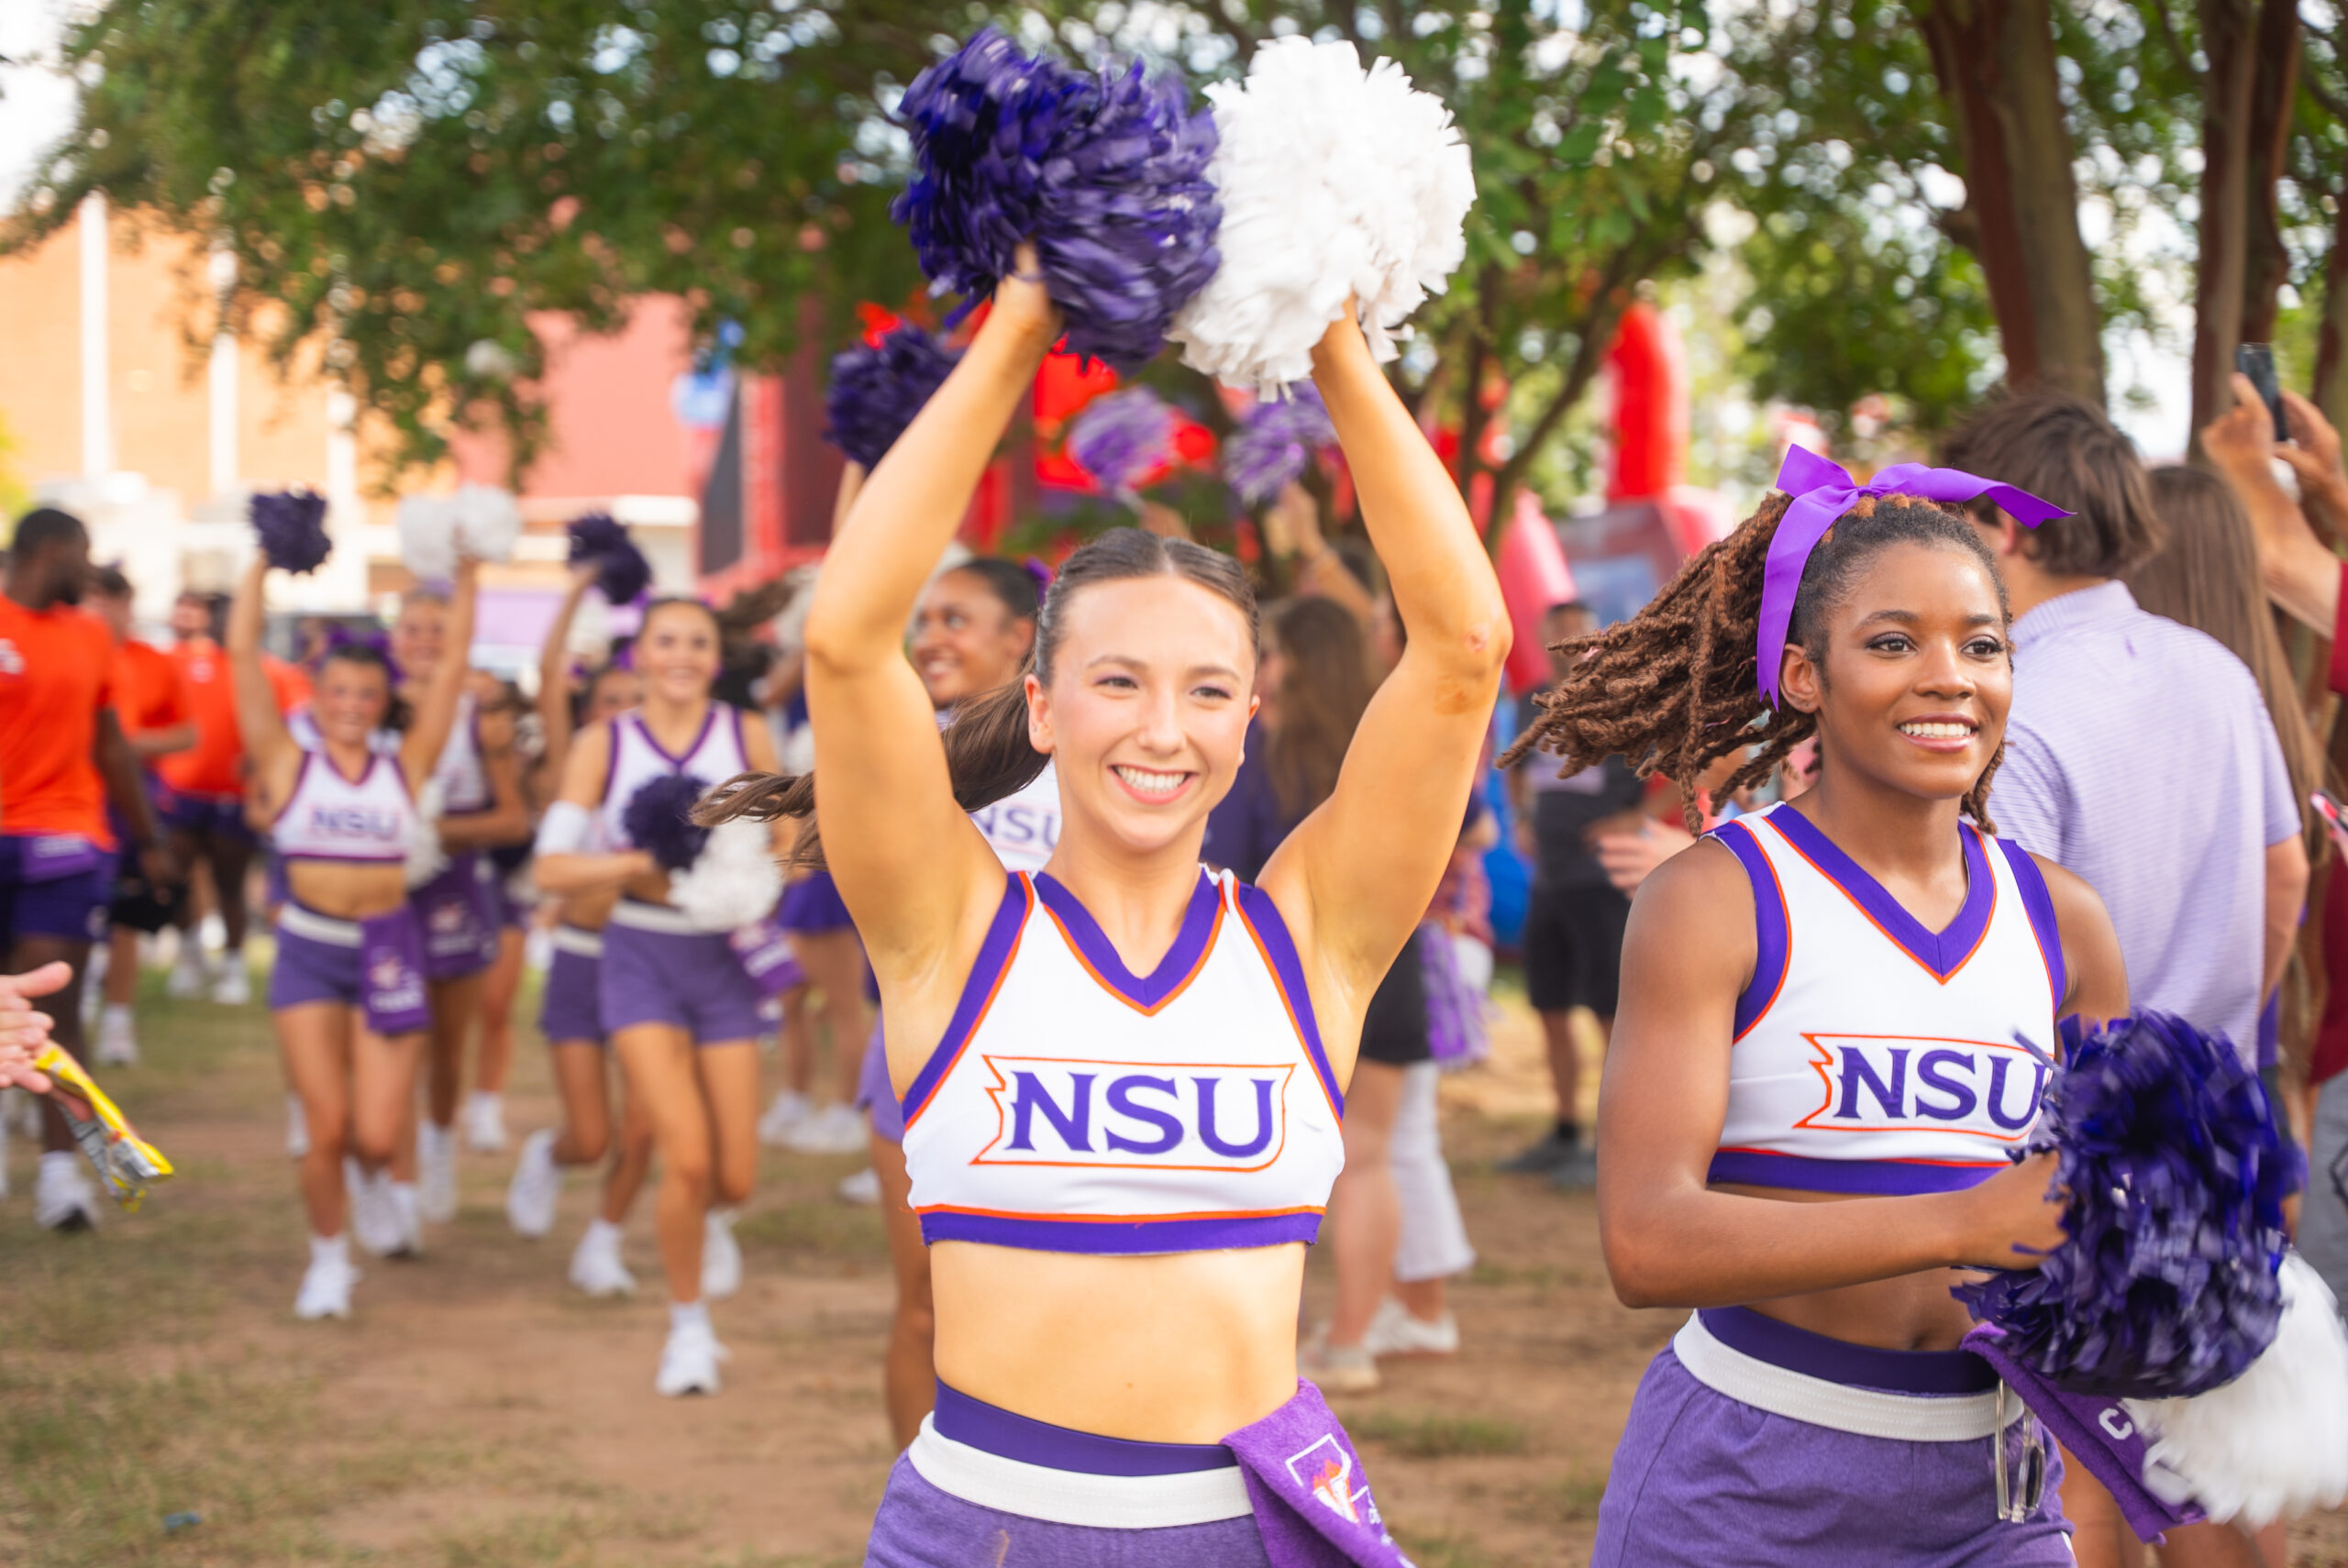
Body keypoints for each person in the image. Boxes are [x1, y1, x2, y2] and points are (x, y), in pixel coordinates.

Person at [700, 259, 1507, 1560]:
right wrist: (1018, 327)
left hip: (1238, 1532)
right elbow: (850, 634)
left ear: (1248, 720)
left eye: (1204, 691)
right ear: (1042, 704)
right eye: (1117, 680)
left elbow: (1463, 649)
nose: (1159, 729)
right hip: (987, 1530)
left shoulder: (1309, 937)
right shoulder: (948, 926)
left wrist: (1337, 342)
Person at [1501, 465, 2125, 1565]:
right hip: (1749, 1478)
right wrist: (1965, 1221)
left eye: (1982, 646)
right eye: (1893, 644)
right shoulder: (1716, 899)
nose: (1949, 680)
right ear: (1805, 675)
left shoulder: (2065, 925)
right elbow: (1644, 1244)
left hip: (1994, 1487)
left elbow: (2092, 1230)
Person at [534, 595, 789, 1395]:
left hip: (722, 961)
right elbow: (551, 869)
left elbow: (786, 840)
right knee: (685, 1155)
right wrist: (644, 860)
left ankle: (707, 1223)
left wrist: (746, 876)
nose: (682, 654)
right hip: (638, 955)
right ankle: (689, 1333)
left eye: (698, 643)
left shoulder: (743, 734)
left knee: (735, 1177)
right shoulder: (602, 743)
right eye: (666, 640)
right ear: (638, 654)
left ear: (716, 658)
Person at [229, 550, 481, 1316]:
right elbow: (241, 652)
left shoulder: (405, 766)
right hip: (308, 950)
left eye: (365, 694)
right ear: (316, 694)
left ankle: (378, 1181)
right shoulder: (285, 760)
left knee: (376, 1134)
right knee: (326, 1125)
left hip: (385, 951)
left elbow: (452, 668)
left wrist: (467, 576)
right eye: (336, 691)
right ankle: (329, 1261)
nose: (349, 704)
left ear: (381, 703)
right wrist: (264, 561)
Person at [858, 541, 1057, 1447]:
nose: (931, 638)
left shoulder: (1089, 749)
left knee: (1042, 1317)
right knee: (927, 1312)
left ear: (1021, 636)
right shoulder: (911, 750)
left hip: (1056, 1060)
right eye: (924, 620)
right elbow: (846, 626)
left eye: (955, 619)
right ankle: (919, 1521)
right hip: (922, 1049)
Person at [0, 508, 175, 1231]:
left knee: (52, 1010)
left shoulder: (90, 636)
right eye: (81, 555)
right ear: (48, 553)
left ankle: (60, 1179)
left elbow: (111, 747)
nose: (88, 569)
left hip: (66, 837)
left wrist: (151, 841)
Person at [504, 564, 656, 1298]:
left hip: (652, 957)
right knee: (591, 1135)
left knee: (648, 1123)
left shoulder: (671, 770)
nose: (625, 712)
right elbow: (543, 672)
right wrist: (579, 591)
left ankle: (603, 1241)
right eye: (610, 702)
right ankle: (550, 1154)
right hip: (580, 955)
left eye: (636, 700)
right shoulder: (581, 765)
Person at [382, 586, 530, 1226]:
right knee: (392, 1043)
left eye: (438, 630)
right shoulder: (367, 707)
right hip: (382, 896)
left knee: (445, 1046)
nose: (424, 641)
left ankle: (440, 1145)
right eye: (413, 628)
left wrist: (431, 831)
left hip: (458, 893)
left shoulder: (482, 716)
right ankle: (398, 1181)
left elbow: (514, 818)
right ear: (394, 639)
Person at [1501, 600, 1646, 1187]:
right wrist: (1520, 820)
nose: (1566, 637)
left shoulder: (1620, 698)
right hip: (1549, 881)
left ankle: (1618, 1148)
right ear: (1542, 634)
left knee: (1610, 1016)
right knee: (1550, 1008)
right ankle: (1564, 1132)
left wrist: (1631, 820)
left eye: (1576, 628)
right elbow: (1514, 769)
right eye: (1556, 627)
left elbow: (1676, 769)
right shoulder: (1529, 702)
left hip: (1601, 881)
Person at [84, 566, 195, 1066]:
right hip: (74, 803)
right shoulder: (72, 649)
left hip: (134, 800)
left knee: (127, 913)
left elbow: (187, 733)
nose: (101, 610)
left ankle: (117, 1024)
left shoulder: (152, 660)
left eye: (111, 600)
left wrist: (126, 749)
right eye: (92, 599)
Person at [157, 590, 270, 1004]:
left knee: (230, 885)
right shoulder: (180, 661)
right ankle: (190, 957)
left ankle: (234, 966)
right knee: (176, 881)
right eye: (218, 615)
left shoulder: (261, 670)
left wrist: (259, 764)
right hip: (181, 794)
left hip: (233, 798)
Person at [462, 671, 533, 1153]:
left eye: (495, 707)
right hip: (451, 885)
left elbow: (521, 831)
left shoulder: (526, 762)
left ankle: (487, 1102)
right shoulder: (446, 756)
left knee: (495, 1005)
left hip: (508, 892)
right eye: (478, 707)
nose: (487, 718)